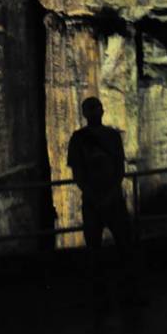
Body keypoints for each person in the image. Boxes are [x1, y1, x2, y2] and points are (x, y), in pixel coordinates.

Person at [67, 96, 136, 307]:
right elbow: (79, 173)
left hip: (101, 200)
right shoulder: (83, 138)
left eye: (95, 108)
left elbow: (116, 170)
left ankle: (114, 294)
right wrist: (102, 195)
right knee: (106, 248)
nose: (95, 112)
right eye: (92, 109)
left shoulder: (100, 137)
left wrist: (99, 196)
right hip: (101, 199)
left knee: (116, 246)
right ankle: (114, 293)